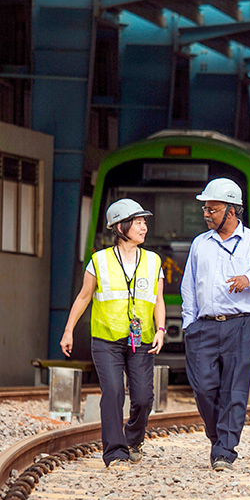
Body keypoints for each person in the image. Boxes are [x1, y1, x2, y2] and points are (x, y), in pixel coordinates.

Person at [181, 178, 250, 472]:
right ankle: (218, 437)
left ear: (231, 210)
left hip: (242, 325)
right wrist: (190, 324)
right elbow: (189, 286)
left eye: (212, 209)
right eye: (205, 209)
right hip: (204, 327)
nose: (206, 214)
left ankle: (225, 450)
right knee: (203, 388)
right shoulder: (200, 244)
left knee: (234, 389)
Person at [60, 199, 166, 470]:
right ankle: (115, 453)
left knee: (143, 398)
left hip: (141, 339)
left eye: (144, 221)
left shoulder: (153, 261)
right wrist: (68, 330)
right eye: (138, 221)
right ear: (121, 226)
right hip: (106, 339)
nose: (144, 226)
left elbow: (158, 300)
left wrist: (161, 330)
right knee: (114, 392)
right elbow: (84, 297)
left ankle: (133, 439)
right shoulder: (99, 261)